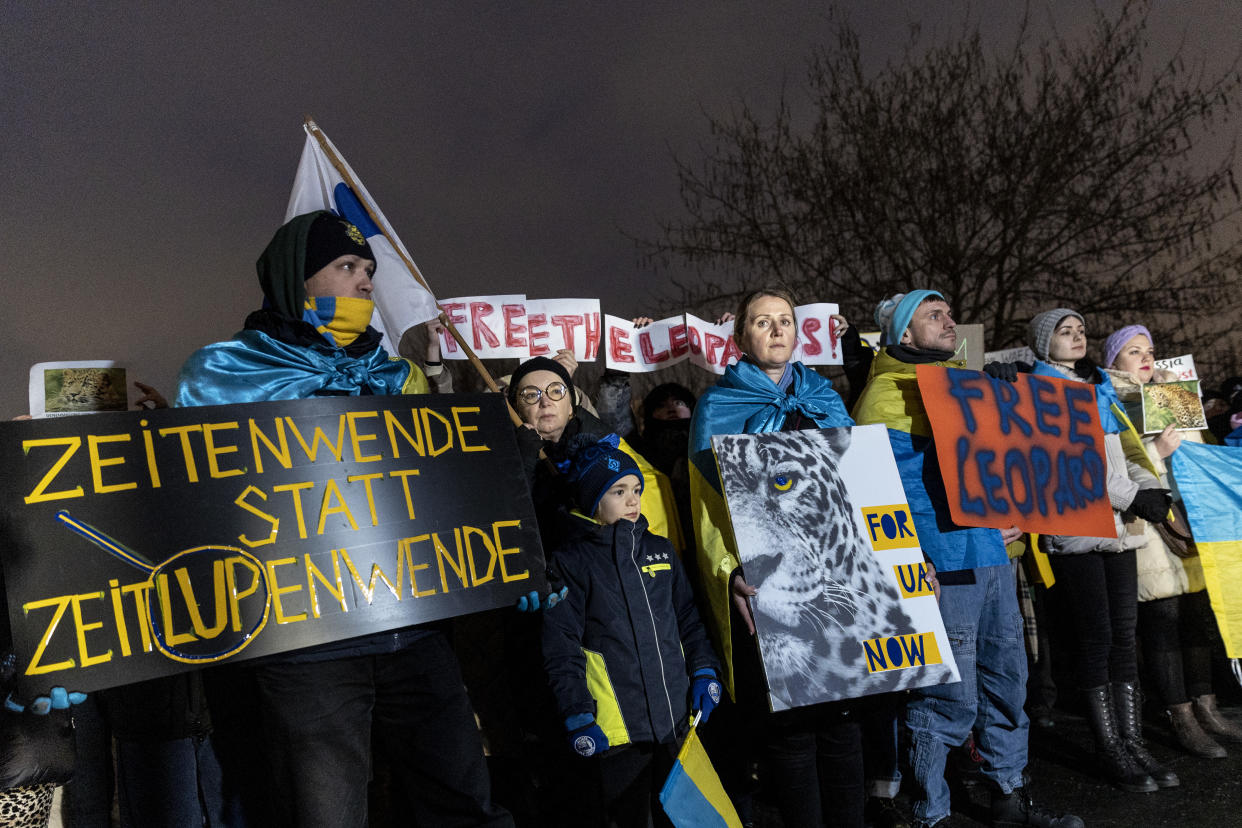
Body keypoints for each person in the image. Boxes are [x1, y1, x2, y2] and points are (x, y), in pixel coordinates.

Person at [176, 211, 511, 828]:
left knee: (464, 804)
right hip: (309, 648)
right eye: (347, 267)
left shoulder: (396, 375)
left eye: (369, 270)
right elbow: (195, 507)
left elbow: (434, 489)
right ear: (298, 280)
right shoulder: (223, 374)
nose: (364, 282)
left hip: (414, 632)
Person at [853, 291, 1081, 828]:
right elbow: (877, 490)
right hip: (941, 560)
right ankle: (931, 810)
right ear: (904, 335)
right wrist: (910, 555)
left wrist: (1019, 511)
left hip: (993, 555)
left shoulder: (970, 385)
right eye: (935, 315)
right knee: (947, 693)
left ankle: (1008, 794)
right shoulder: (882, 396)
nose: (950, 321)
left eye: (949, 313)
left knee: (1009, 681)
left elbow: (1002, 464)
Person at [688, 287, 864, 828]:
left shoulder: (825, 398)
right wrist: (731, 570)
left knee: (844, 718)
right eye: (762, 322)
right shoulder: (718, 405)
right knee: (791, 725)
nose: (776, 330)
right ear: (741, 336)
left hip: (835, 578)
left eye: (784, 320)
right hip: (768, 584)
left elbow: (861, 486)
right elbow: (706, 503)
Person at [1025, 309, 1176, 794]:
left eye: (1080, 331)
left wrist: (1149, 487)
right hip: (1076, 530)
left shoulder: (1098, 390)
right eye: (1064, 333)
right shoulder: (1041, 394)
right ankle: (1109, 746)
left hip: (1119, 527)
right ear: (1043, 344)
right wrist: (1136, 496)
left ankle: (1132, 741)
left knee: (1123, 638)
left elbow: (1125, 454)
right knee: (1096, 638)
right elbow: (1072, 467)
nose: (1076, 338)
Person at [541, 435, 722, 827]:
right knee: (630, 818)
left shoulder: (660, 550)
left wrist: (705, 670)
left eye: (636, 489)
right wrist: (577, 714)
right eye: (618, 491)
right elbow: (561, 649)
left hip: (676, 722)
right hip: (617, 733)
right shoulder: (570, 562)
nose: (633, 500)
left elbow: (688, 618)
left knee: (686, 818)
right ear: (591, 499)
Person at [1103, 324, 1242, 758]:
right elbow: (1117, 463)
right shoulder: (1111, 399)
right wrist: (1159, 455)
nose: (1145, 357)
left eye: (1149, 349)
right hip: (1148, 521)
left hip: (1188, 517)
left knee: (1198, 614)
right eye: (1133, 351)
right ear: (1114, 362)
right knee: (1163, 618)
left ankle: (1208, 707)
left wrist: (1177, 396)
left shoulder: (1168, 391)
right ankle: (1180, 716)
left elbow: (1198, 454)